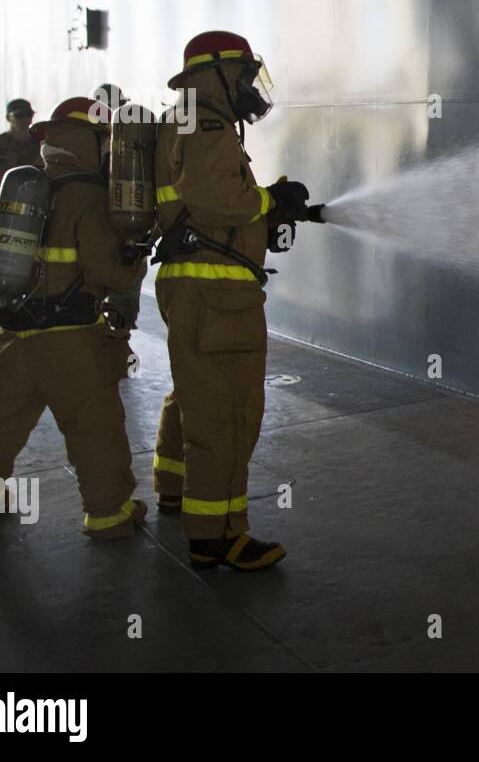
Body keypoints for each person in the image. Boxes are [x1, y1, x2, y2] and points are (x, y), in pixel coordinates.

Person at [0, 98, 147, 536]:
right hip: (70, 342)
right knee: (96, 429)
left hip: (10, 335)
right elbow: (105, 270)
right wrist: (135, 260)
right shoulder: (88, 195)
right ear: (90, 140)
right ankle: (109, 515)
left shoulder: (23, 187)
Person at [152, 30, 310, 571]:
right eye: (242, 73)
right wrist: (270, 198)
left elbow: (207, 200)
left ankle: (173, 491)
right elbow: (220, 199)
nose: (248, 84)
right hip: (219, 294)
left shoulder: (185, 119)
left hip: (197, 290)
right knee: (230, 415)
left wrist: (266, 206)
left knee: (195, 397)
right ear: (215, 73)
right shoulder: (209, 123)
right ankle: (220, 536)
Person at [92, 84, 147, 331]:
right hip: (130, 229)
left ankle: (109, 342)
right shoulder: (136, 138)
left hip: (101, 228)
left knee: (96, 293)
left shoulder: (90, 139)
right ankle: (118, 342)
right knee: (125, 291)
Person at [0, 98, 44, 197]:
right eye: (19, 115)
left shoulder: (41, 144)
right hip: (4, 205)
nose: (25, 119)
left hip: (36, 204)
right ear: (8, 118)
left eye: (29, 114)